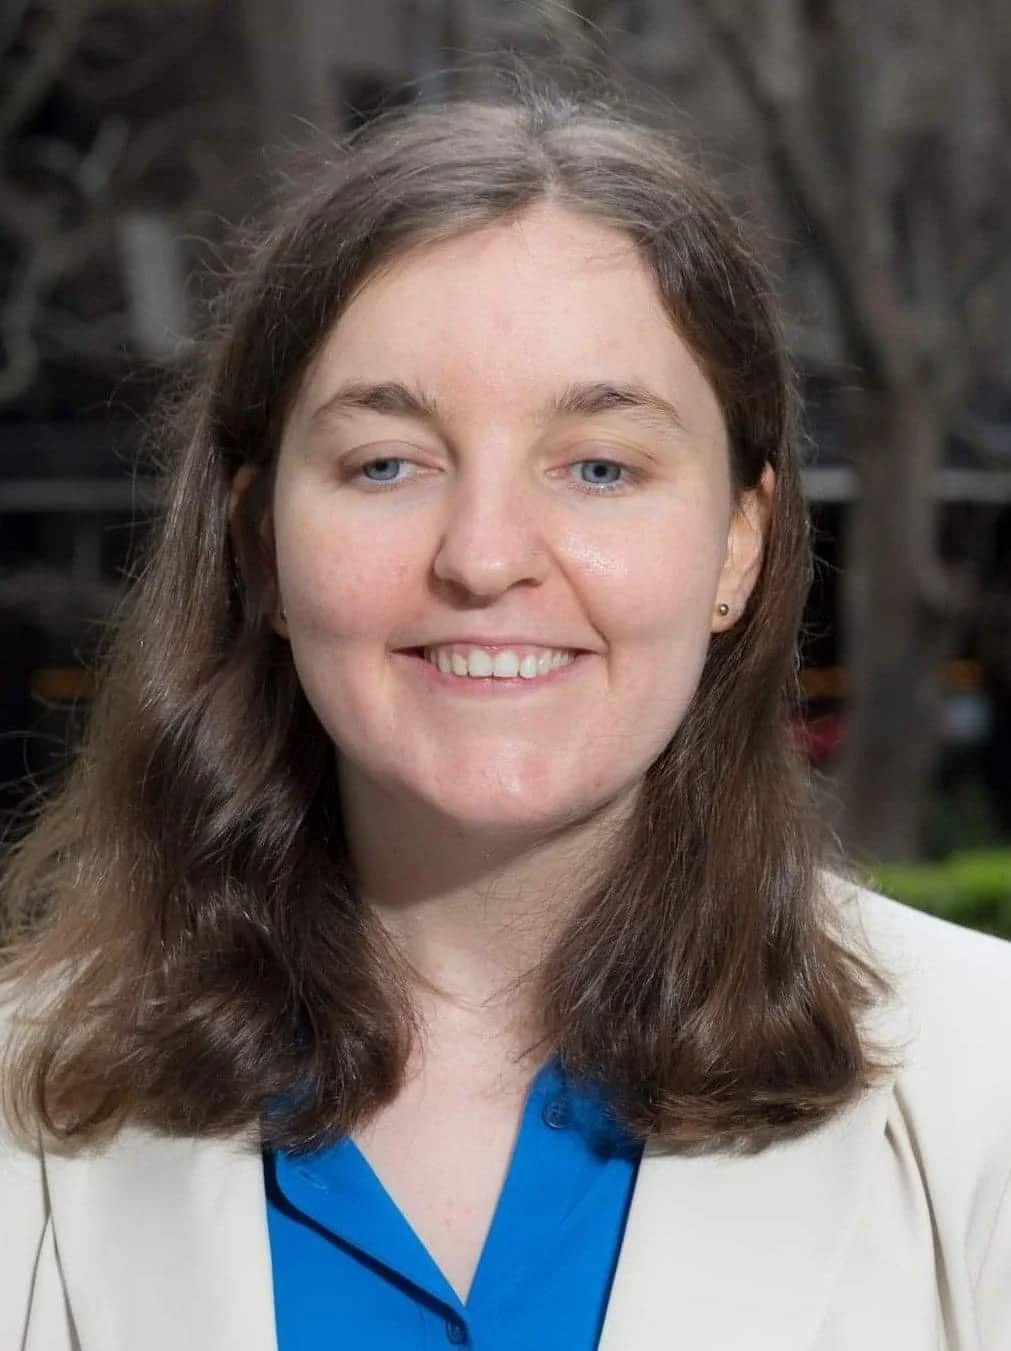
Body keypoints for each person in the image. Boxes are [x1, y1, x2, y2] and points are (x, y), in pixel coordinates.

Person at [1, 76, 1009, 1351]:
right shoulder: (22, 1119)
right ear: (260, 544)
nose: (483, 556)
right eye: (386, 464)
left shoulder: (988, 1097)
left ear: (740, 546)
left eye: (600, 466)